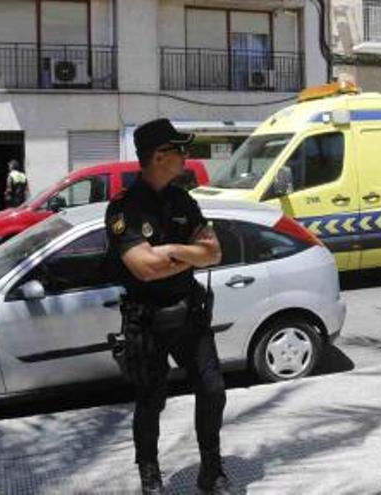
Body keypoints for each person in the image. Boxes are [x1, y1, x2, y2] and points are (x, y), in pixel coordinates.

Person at [105, 118, 233, 494]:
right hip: (146, 321)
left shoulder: (183, 200)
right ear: (159, 156)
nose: (185, 156)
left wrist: (172, 250)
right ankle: (150, 477)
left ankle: (211, 471)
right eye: (180, 150)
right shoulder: (124, 210)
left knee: (213, 390)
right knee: (150, 402)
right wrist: (189, 255)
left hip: (189, 313)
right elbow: (144, 269)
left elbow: (214, 253)